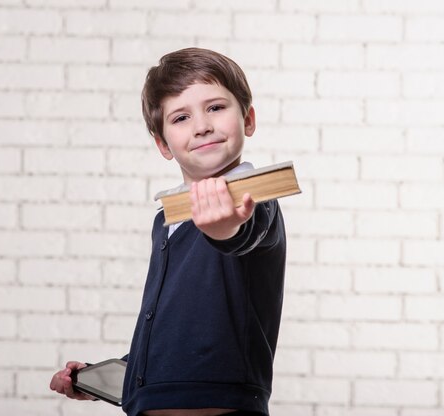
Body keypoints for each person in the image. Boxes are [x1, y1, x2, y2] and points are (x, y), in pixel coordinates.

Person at [50, 47, 287, 416]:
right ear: (163, 144)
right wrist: (117, 377)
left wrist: (225, 228)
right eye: (181, 117)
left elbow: (243, 234)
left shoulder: (254, 197)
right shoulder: (167, 219)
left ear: (248, 119)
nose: (201, 125)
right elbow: (178, 331)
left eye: (215, 108)